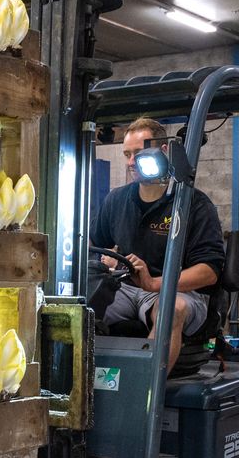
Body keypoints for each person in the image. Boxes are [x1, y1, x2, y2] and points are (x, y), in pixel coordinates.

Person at [90, 117, 225, 370]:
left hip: (177, 292)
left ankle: (143, 396)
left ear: (164, 151)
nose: (131, 162)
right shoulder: (116, 200)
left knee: (171, 309)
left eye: (139, 154)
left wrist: (153, 283)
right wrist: (104, 260)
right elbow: (98, 245)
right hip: (126, 289)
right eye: (127, 154)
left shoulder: (193, 204)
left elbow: (209, 271)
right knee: (77, 304)